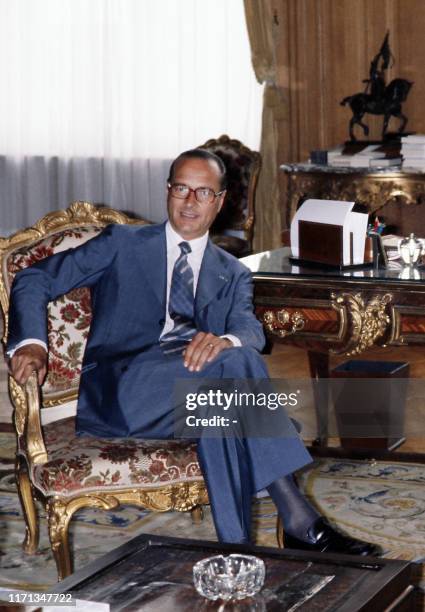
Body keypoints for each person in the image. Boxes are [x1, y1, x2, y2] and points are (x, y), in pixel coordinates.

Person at [7, 149, 379, 555]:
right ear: (168, 191)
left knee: (222, 397)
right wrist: (32, 342)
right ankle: (300, 522)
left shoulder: (233, 271)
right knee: (231, 375)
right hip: (125, 395)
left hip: (195, 396)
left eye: (203, 193)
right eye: (182, 189)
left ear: (220, 203)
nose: (190, 202)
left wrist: (225, 341)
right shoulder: (122, 243)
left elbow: (250, 331)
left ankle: (238, 552)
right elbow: (32, 279)